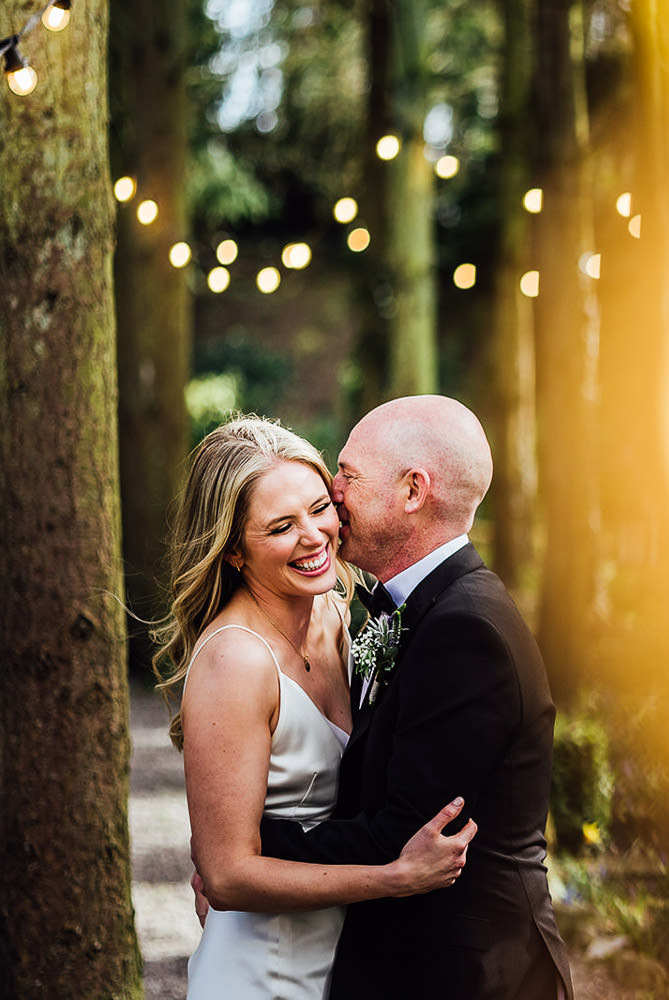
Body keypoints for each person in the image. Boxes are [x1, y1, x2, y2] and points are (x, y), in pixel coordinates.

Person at [256, 395, 574, 1000]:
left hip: (465, 975)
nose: (332, 492)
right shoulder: (424, 611)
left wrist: (245, 852)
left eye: (348, 474)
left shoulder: (466, 631)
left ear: (412, 491)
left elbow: (403, 833)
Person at [155, 415, 477, 1000]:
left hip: (343, 961)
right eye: (281, 526)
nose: (314, 535)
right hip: (262, 969)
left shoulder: (332, 612)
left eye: (319, 507)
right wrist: (395, 877)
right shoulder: (236, 661)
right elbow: (225, 876)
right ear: (233, 551)